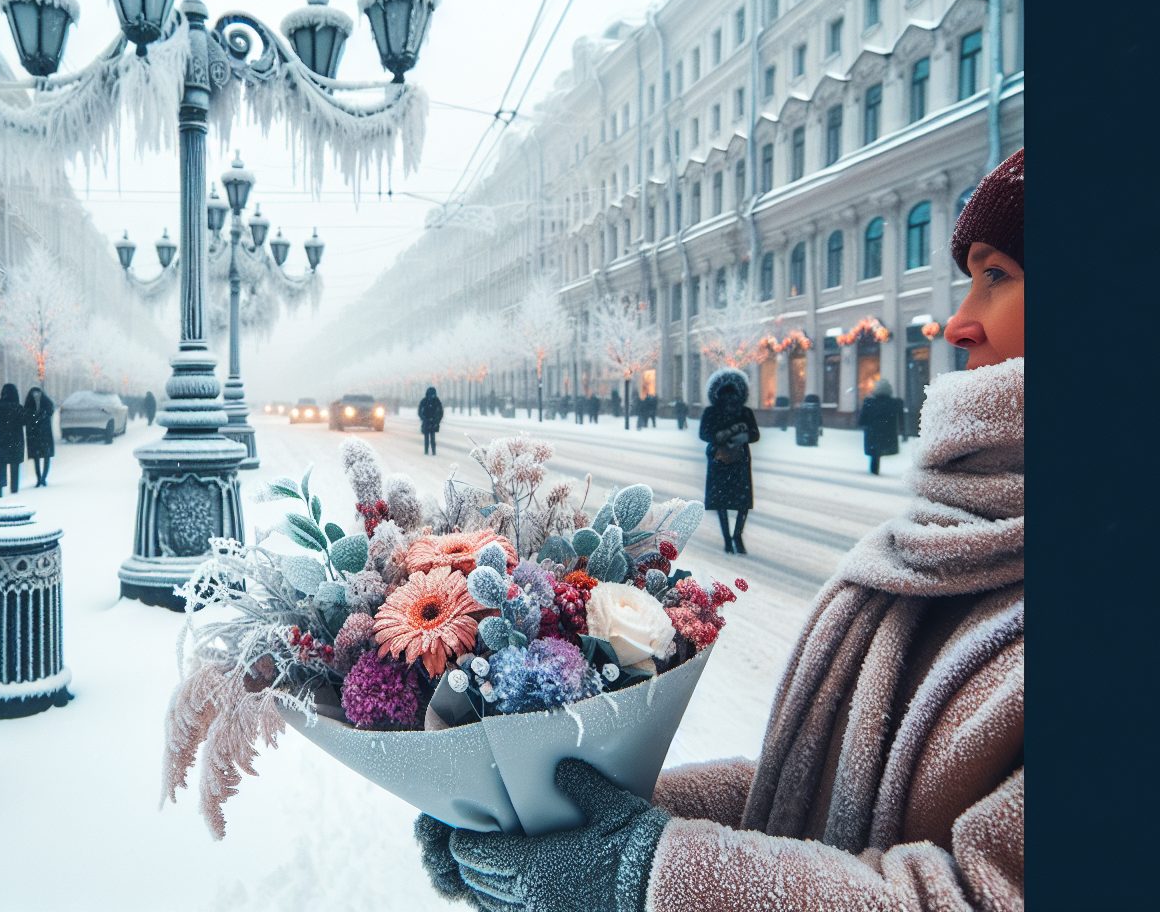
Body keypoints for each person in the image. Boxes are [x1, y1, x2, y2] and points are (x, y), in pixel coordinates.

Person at [416, 147, 1025, 912]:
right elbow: (814, 803)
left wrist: (648, 872)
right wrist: (555, 821)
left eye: (997, 274)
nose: (960, 323)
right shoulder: (947, 539)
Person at [699, 368, 759, 554]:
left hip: (725, 462)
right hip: (732, 460)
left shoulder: (715, 411)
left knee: (724, 503)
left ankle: (729, 539)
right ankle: (735, 538)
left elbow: (704, 434)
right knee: (740, 503)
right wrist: (728, 437)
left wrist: (731, 437)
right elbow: (754, 435)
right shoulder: (742, 411)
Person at [860, 379, 907, 475]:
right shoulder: (894, 403)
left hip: (873, 432)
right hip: (887, 433)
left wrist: (863, 425)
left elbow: (863, 419)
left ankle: (874, 469)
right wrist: (902, 430)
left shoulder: (869, 403)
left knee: (875, 452)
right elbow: (901, 419)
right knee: (879, 449)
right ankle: (875, 468)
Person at [0, 383, 27, 497]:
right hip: (15, 441)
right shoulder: (17, 407)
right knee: (15, 466)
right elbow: (25, 421)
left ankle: (0, 489)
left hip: (1, 441)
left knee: (1, 466)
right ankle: (14, 489)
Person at [25, 386, 56, 487]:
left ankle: (41, 478)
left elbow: (26, 416)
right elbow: (50, 410)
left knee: (38, 457)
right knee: (42, 456)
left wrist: (35, 418)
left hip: (37, 434)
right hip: (42, 433)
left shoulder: (30, 402)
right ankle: (41, 478)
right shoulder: (45, 401)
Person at [418, 386, 444, 456]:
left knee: (427, 438)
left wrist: (423, 418)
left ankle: (426, 451)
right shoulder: (436, 401)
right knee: (432, 437)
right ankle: (433, 451)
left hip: (427, 421)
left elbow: (420, 411)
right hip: (433, 422)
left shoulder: (424, 400)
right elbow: (441, 412)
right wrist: (437, 420)